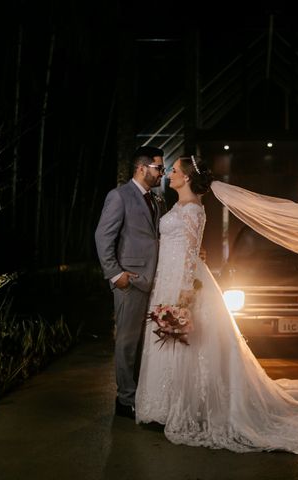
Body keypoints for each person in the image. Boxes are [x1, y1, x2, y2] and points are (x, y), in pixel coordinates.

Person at [135, 155, 298, 453]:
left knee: (187, 344)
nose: (170, 175)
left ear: (188, 178)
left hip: (181, 281)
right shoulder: (179, 206)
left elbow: (191, 253)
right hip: (166, 278)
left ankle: (186, 406)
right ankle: (162, 404)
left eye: (175, 171)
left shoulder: (193, 210)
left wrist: (182, 295)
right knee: (169, 343)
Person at [95, 145, 167, 419]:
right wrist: (116, 275)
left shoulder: (158, 200)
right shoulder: (119, 196)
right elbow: (103, 237)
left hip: (156, 281)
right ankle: (125, 400)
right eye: (158, 167)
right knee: (126, 342)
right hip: (131, 281)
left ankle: (142, 394)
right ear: (141, 168)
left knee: (147, 343)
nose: (161, 172)